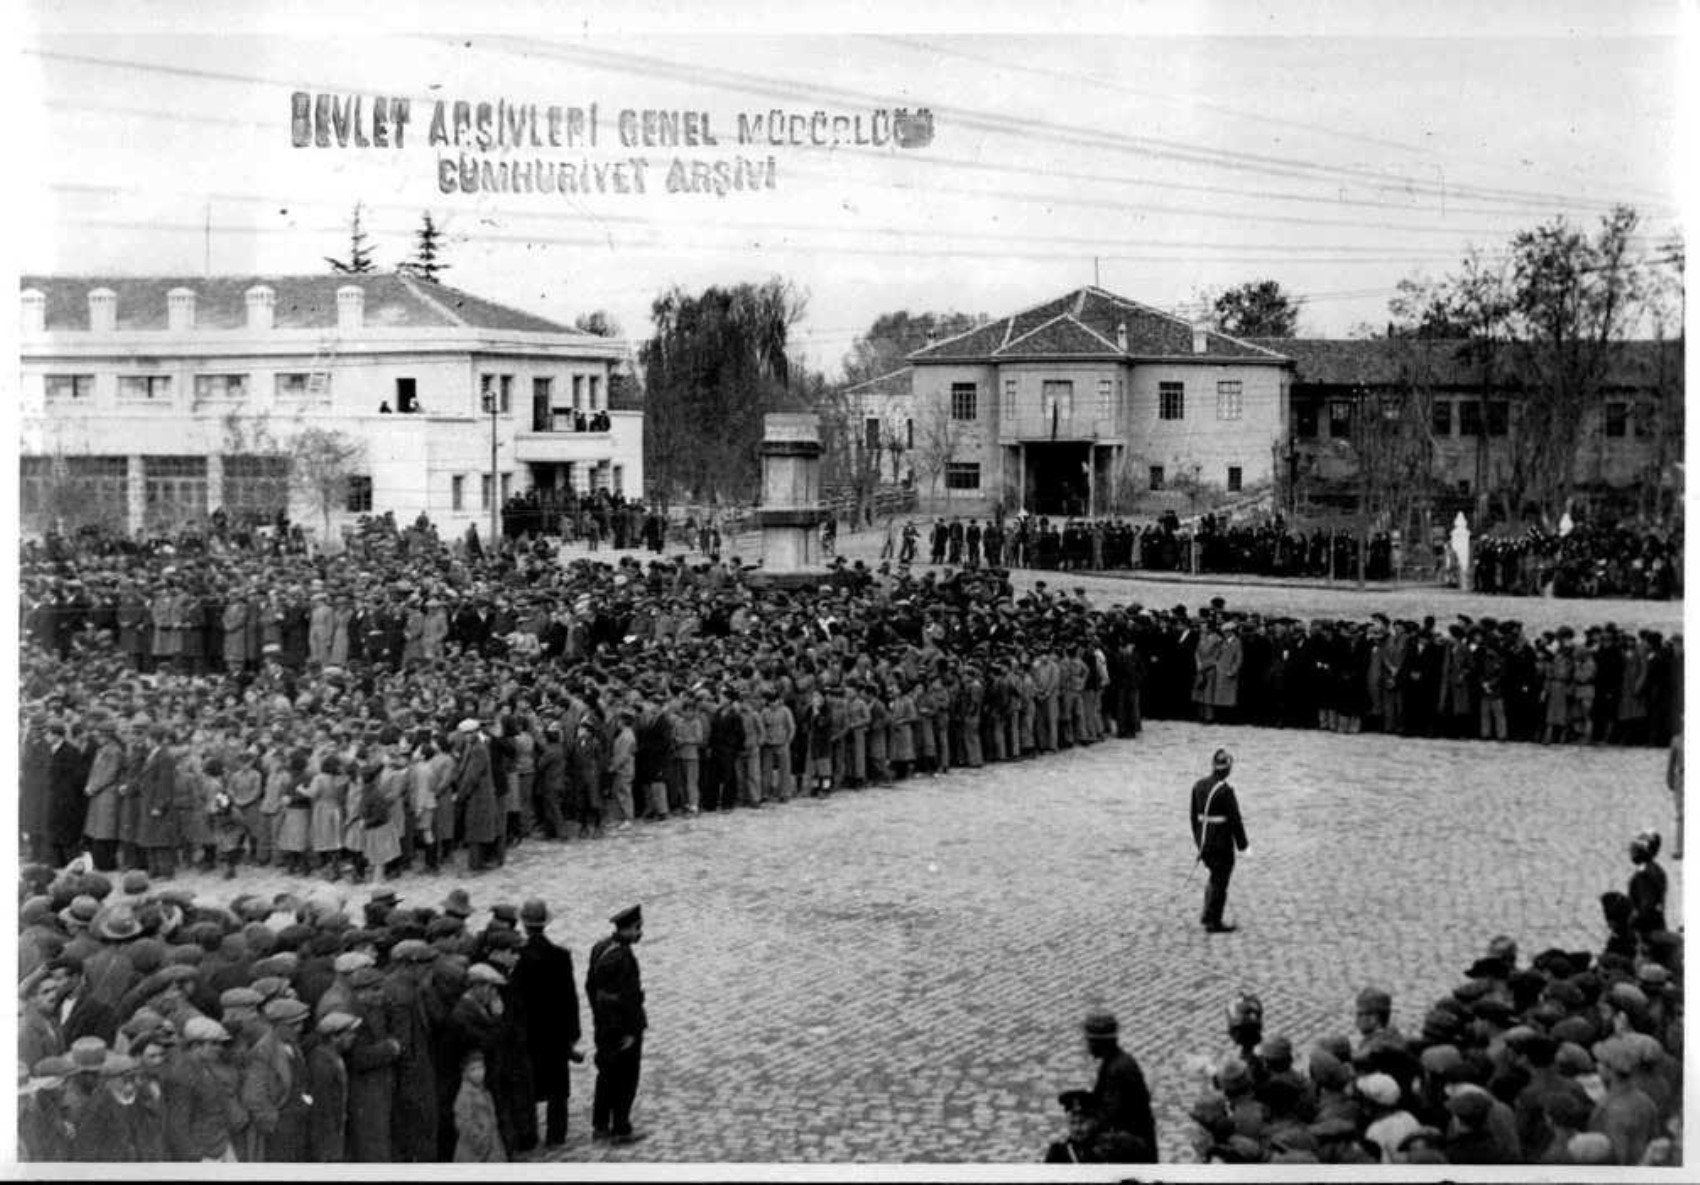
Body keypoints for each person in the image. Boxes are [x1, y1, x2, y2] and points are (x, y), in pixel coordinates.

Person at [514, 898, 585, 1148]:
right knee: (557, 1087)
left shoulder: (517, 958)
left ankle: (529, 1135)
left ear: (523, 924)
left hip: (529, 1032)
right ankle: (556, 1135)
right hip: (555, 1032)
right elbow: (570, 996)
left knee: (529, 1083)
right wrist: (573, 1032)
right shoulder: (560, 956)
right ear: (545, 923)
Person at [587, 904, 647, 1144]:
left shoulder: (600, 948)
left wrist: (599, 1019)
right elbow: (625, 999)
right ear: (629, 929)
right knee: (626, 1078)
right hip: (621, 1029)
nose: (640, 933)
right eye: (638, 928)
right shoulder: (621, 958)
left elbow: (591, 988)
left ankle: (600, 1125)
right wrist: (629, 1032)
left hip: (603, 1026)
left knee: (606, 1076)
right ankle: (621, 1127)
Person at [1080, 1011, 1157, 1162]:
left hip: (1133, 1152)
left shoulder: (1116, 1070)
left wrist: (1085, 1128)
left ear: (1098, 1043)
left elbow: (1109, 1114)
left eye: (1088, 1041)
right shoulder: (1118, 1062)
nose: (1087, 1046)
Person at [1190, 748, 1249, 933]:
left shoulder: (1198, 785)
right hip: (1221, 843)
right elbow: (1235, 820)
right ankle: (1213, 920)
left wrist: (1198, 841)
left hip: (1204, 842)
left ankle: (1208, 914)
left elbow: (1193, 817)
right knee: (1220, 879)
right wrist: (1243, 845)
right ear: (1227, 769)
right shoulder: (1225, 791)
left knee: (1214, 876)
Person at [452, 1051, 506, 1162]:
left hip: (492, 1147)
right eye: (473, 1069)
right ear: (465, 1073)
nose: (478, 1073)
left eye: (481, 1068)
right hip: (475, 1152)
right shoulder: (465, 1096)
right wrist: (482, 1141)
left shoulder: (484, 1092)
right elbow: (464, 1123)